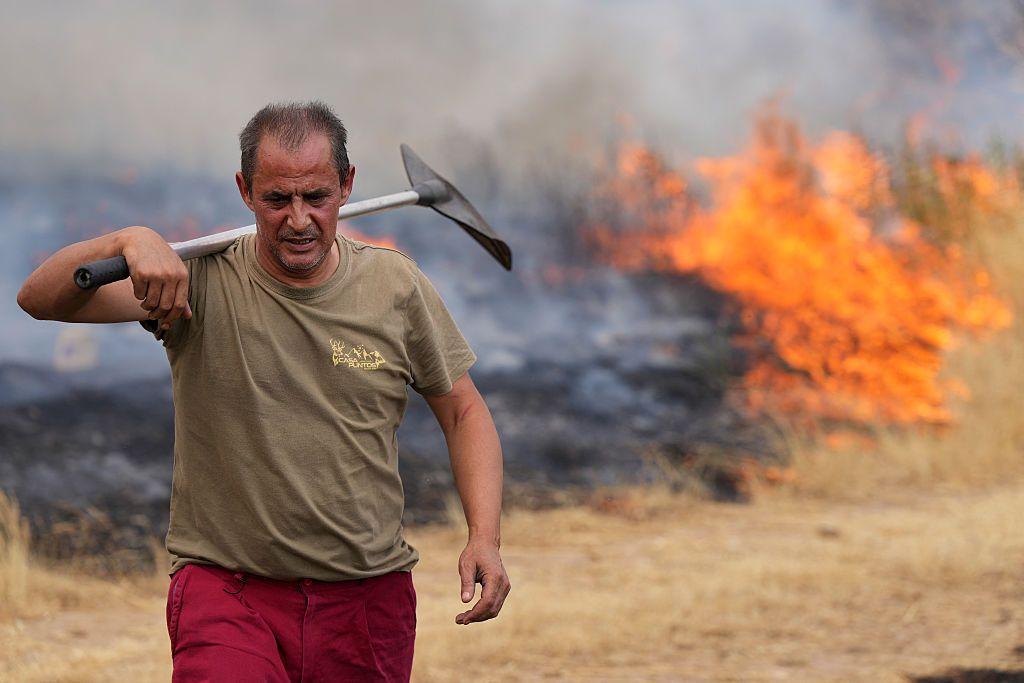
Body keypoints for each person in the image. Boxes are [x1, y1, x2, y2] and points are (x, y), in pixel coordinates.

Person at [17, 101, 510, 682]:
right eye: (277, 200)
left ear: (347, 186)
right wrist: (130, 240)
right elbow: (40, 298)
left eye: (316, 198)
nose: (298, 220)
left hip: (366, 600)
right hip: (228, 592)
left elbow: (463, 412)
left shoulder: (395, 286)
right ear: (245, 190)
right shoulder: (194, 280)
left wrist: (485, 537)